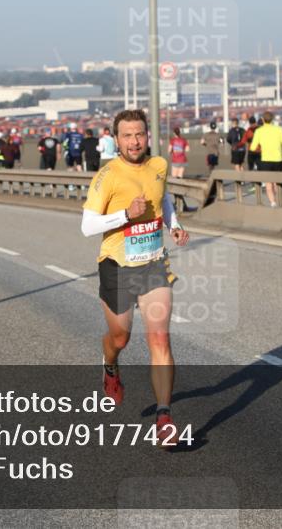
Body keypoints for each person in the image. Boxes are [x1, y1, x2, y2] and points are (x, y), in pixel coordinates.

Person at [81, 109, 189, 447]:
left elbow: (164, 198)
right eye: (127, 135)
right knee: (120, 339)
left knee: (160, 340)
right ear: (116, 139)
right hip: (116, 266)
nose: (134, 141)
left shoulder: (158, 166)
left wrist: (174, 226)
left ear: (147, 135)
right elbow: (87, 226)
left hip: (154, 264)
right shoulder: (107, 175)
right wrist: (124, 215)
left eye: (139, 134)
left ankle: (164, 417)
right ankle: (110, 366)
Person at [249, 111, 282, 207]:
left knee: (268, 183)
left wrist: (261, 147)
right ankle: (280, 200)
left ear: (263, 120)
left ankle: (273, 202)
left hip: (265, 160)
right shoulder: (278, 130)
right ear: (272, 119)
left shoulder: (259, 131)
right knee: (276, 182)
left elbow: (252, 147)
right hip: (278, 160)